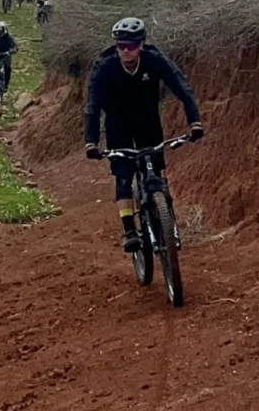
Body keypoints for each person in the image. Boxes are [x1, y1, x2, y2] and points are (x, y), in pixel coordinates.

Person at [84, 17, 204, 251]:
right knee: (124, 175)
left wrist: (195, 122)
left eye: (131, 46)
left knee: (155, 170)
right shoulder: (105, 66)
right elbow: (92, 105)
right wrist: (91, 141)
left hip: (148, 120)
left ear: (141, 45)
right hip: (117, 123)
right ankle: (129, 229)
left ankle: (167, 219)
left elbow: (182, 88)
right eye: (121, 46)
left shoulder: (154, 60)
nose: (126, 51)